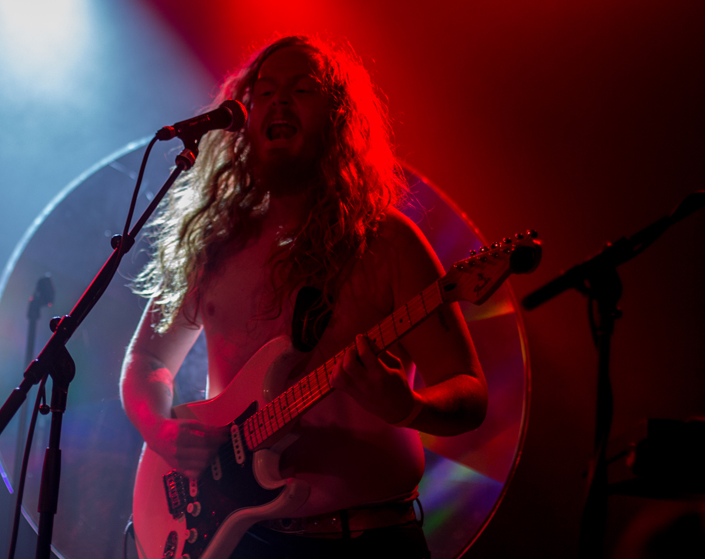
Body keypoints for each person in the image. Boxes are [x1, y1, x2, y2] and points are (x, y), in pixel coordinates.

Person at [120, 36, 488, 558]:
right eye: (265, 91)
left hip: (370, 540)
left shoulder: (388, 242)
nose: (279, 102)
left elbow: (469, 390)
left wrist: (411, 406)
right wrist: (159, 429)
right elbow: (149, 356)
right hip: (240, 538)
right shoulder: (213, 241)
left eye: (302, 90)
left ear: (338, 118)